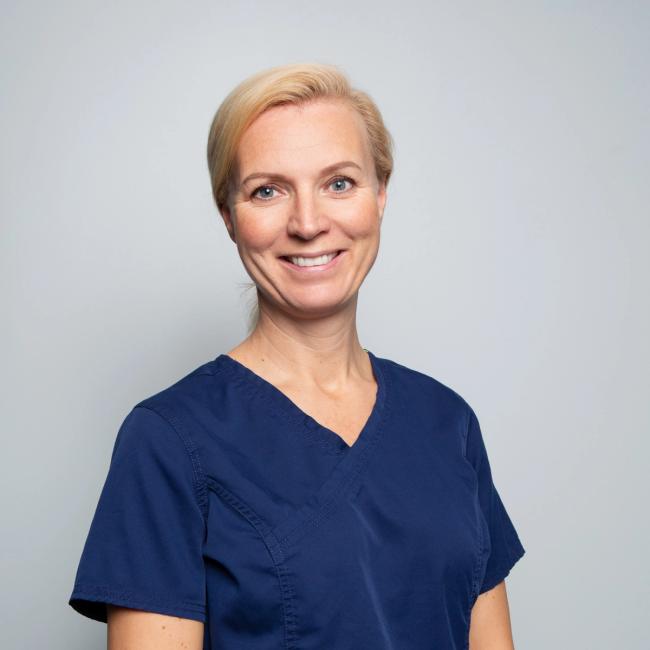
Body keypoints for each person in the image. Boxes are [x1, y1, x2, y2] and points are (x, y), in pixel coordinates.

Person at [69, 62, 526, 649]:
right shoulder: (168, 440)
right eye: (267, 190)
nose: (308, 223)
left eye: (339, 183)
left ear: (380, 195)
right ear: (229, 216)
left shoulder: (447, 423)